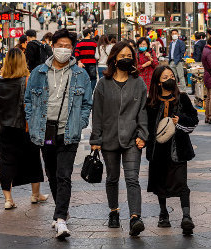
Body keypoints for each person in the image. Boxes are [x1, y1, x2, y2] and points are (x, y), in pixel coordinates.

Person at [24, 28, 92, 239]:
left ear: (73, 49)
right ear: (52, 46)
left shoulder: (80, 74)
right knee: (52, 175)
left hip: (68, 132)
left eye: (68, 46)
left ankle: (61, 218)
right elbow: (28, 100)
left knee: (64, 175)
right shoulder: (38, 73)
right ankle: (60, 210)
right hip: (46, 131)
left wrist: (80, 123)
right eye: (60, 45)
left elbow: (87, 103)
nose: (63, 49)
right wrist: (31, 119)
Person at [90, 41, 148, 237]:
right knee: (112, 178)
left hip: (132, 138)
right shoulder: (103, 84)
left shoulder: (138, 83)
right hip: (108, 138)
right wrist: (95, 139)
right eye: (122, 56)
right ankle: (113, 211)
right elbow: (96, 113)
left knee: (132, 178)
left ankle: (135, 218)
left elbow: (143, 111)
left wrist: (143, 134)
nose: (126, 59)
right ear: (113, 58)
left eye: (129, 56)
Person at [146, 65, 199, 235]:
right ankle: (163, 214)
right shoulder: (152, 102)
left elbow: (194, 118)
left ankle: (186, 216)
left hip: (178, 149)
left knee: (181, 182)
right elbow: (146, 125)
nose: (169, 79)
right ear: (158, 83)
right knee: (159, 182)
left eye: (171, 76)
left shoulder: (182, 98)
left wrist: (180, 120)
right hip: (158, 150)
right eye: (165, 77)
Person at [0, 48, 48, 210]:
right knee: (33, 159)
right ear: (22, 62)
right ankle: (35, 195)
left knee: (6, 161)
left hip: (5, 128)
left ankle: (8, 199)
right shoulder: (27, 80)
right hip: (25, 127)